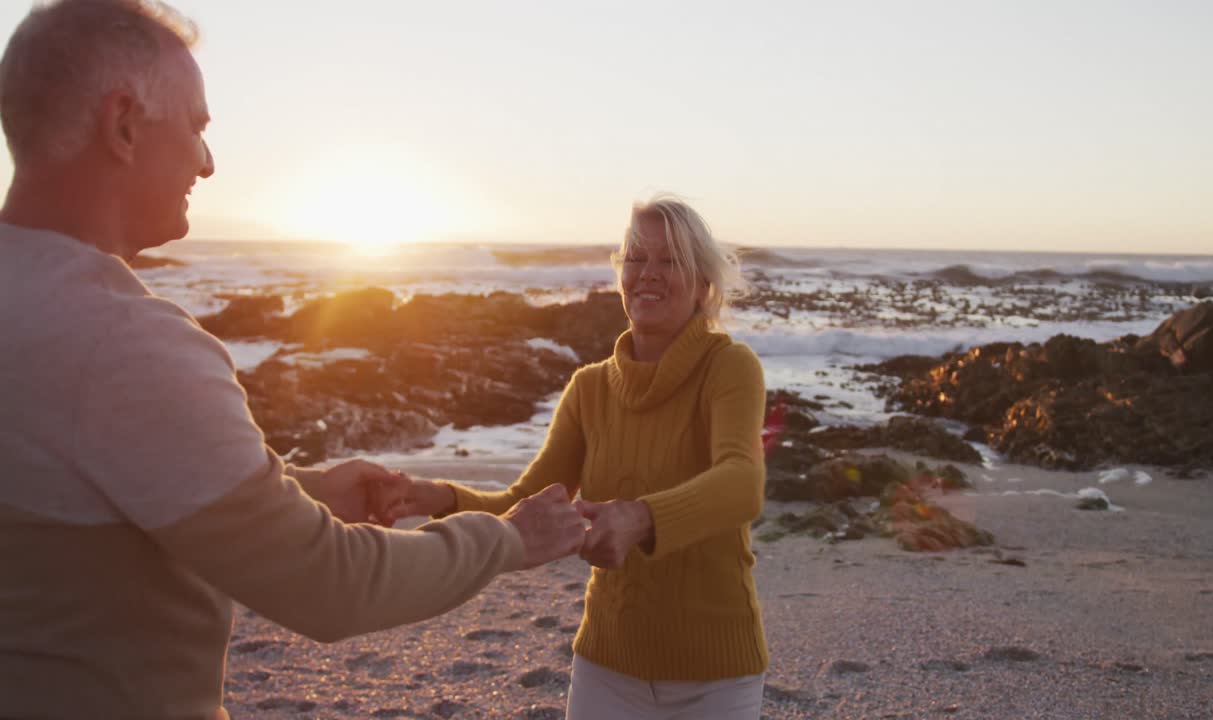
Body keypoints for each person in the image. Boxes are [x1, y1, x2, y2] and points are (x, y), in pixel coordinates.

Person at [0, 2, 584, 718]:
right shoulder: (125, 342)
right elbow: (331, 585)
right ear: (124, 124)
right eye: (196, 127)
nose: (207, 164)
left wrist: (295, 490)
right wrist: (505, 538)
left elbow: (89, 493)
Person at [383, 196, 770, 719]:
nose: (647, 274)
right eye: (636, 258)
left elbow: (742, 481)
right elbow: (523, 503)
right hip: (607, 665)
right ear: (620, 274)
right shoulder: (589, 389)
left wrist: (640, 517)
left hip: (716, 674)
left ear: (703, 285)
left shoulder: (729, 367)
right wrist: (438, 496)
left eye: (669, 259)